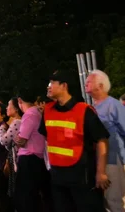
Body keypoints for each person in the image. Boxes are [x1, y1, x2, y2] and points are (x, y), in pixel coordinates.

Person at [39, 70, 109, 212]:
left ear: (64, 86)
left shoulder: (83, 111)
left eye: (52, 83)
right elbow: (47, 137)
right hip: (58, 176)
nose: (49, 86)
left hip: (81, 176)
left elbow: (102, 140)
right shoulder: (47, 110)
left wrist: (101, 172)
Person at [85, 70, 125, 211]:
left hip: (112, 161)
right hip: (97, 164)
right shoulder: (92, 108)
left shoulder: (114, 105)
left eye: (89, 81)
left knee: (113, 201)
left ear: (101, 86)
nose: (86, 83)